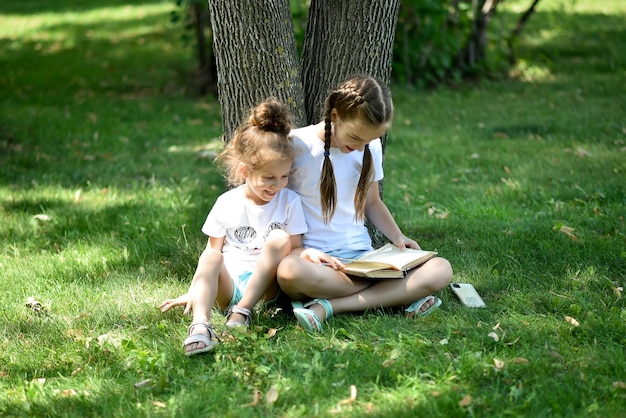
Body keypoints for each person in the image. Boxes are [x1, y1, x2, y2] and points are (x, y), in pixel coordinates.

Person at [276, 75, 453, 332]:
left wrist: (397, 236)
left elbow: (372, 202)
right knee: (289, 272)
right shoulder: (297, 145)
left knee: (441, 269)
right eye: (356, 138)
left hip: (363, 259)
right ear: (334, 116)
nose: (360, 148)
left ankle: (329, 307)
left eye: (367, 142)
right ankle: (396, 296)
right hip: (317, 263)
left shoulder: (371, 147)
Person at [159, 99, 308, 355]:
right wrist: (194, 290)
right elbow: (210, 257)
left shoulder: (290, 201)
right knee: (211, 255)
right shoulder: (227, 203)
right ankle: (200, 325)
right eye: (269, 178)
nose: (278, 184)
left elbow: (295, 248)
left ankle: (242, 312)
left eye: (284, 176)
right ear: (244, 171)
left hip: (264, 288)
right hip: (227, 287)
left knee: (280, 239)